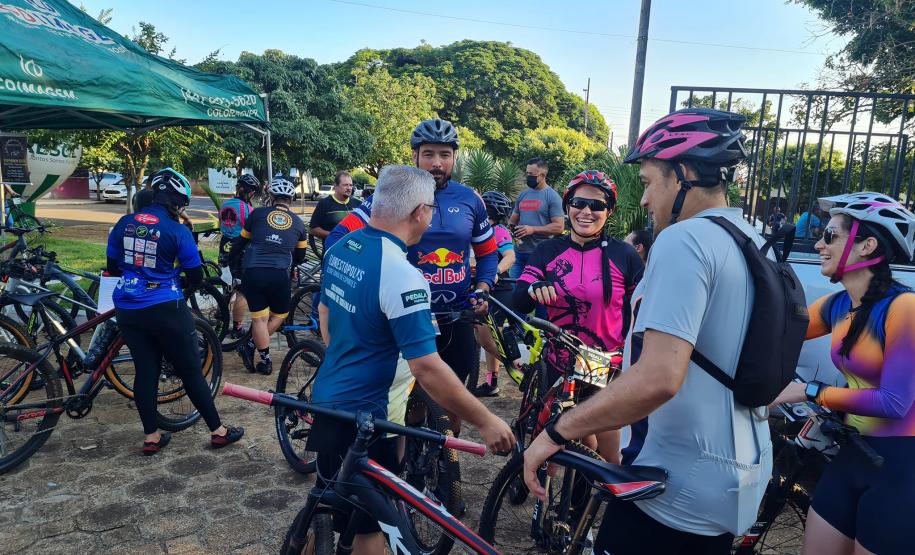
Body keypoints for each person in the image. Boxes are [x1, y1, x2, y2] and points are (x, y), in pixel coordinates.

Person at [523, 108, 773, 554]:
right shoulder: (749, 237)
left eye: (648, 182)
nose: (643, 200)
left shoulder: (684, 239)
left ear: (683, 174)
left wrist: (556, 432)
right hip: (736, 468)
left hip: (673, 479)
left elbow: (658, 378)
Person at [310, 165, 514, 555]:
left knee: (326, 503)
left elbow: (324, 313)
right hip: (373, 415)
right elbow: (427, 367)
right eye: (431, 209)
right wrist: (487, 421)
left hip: (330, 396)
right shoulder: (402, 276)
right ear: (420, 212)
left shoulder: (341, 249)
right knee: (370, 530)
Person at [325, 119, 500, 436]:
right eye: (429, 154)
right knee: (408, 401)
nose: (437, 163)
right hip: (404, 317)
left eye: (445, 154)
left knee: (453, 401)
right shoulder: (394, 195)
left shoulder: (470, 200)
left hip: (457, 315)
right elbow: (338, 240)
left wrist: (484, 287)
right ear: (415, 156)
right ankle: (408, 449)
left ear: (455, 157)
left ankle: (443, 459)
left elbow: (488, 254)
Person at [770, 191, 915, 555]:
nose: (819, 244)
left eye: (830, 235)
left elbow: (895, 402)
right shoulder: (838, 305)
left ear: (867, 245)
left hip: (901, 465)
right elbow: (776, 334)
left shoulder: (905, 308)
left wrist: (810, 391)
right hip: (854, 452)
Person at [105, 168, 244, 454]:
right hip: (166, 307)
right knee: (191, 370)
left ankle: (151, 436)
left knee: (145, 371)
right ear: (178, 202)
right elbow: (195, 276)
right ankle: (218, 431)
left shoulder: (124, 223)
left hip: (128, 307)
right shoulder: (178, 231)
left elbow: (113, 266)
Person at [512, 170, 643, 462]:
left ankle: (593, 484)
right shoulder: (548, 250)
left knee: (609, 457)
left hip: (605, 365)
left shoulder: (624, 254)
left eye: (596, 205)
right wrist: (534, 287)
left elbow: (644, 309)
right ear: (567, 206)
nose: (586, 211)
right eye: (579, 203)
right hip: (558, 362)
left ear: (609, 211)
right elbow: (519, 299)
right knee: (549, 453)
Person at [229, 178, 308, 375]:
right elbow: (300, 256)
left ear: (271, 197)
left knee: (259, 319)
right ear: (291, 199)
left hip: (253, 271)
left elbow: (240, 242)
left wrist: (228, 259)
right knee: (280, 315)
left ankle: (266, 361)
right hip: (279, 273)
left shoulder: (257, 214)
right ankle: (249, 346)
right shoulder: (299, 223)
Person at [473, 190, 516, 397]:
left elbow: (510, 256)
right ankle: (492, 383)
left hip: (499, 291)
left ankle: (519, 367)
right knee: (489, 339)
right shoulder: (479, 229)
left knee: (487, 339)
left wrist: (495, 272)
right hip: (482, 290)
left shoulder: (499, 231)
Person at [218, 173, 262, 337]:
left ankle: (221, 321)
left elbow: (221, 224)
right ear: (250, 192)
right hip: (241, 248)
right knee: (242, 291)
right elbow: (253, 231)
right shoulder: (248, 210)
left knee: (226, 285)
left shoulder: (225, 204)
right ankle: (237, 328)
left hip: (224, 246)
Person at [508, 157, 565, 279]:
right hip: (519, 252)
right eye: (527, 173)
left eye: (532, 174)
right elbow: (513, 220)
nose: (528, 177)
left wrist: (532, 229)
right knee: (513, 287)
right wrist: (512, 230)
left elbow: (559, 227)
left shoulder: (552, 197)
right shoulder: (523, 194)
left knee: (533, 288)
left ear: (543, 175)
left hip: (540, 254)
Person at [309, 170, 355, 247]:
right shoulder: (324, 203)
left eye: (350, 185)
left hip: (354, 251)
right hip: (332, 249)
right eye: (345, 185)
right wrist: (334, 235)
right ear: (335, 186)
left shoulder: (358, 203)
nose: (349, 188)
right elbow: (313, 229)